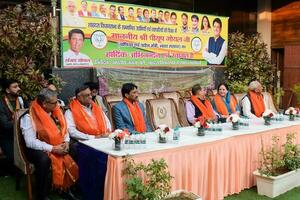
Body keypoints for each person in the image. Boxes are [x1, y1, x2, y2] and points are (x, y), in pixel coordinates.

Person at [20, 88, 78, 200]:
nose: (58, 104)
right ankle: (42, 194)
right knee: (43, 159)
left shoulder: (56, 111)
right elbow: (30, 142)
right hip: (36, 148)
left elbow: (64, 129)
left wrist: (66, 142)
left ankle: (65, 187)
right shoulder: (29, 117)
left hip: (58, 143)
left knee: (73, 148)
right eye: (54, 102)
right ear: (44, 104)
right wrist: (53, 148)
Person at [65, 85, 111, 160]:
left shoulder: (96, 107)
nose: (90, 97)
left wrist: (107, 132)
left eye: (90, 94)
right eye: (87, 95)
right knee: (99, 154)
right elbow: (72, 131)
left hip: (103, 138)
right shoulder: (70, 111)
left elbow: (107, 122)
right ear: (79, 97)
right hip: (85, 142)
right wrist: (93, 137)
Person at [0, 79, 25, 171]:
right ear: (7, 90)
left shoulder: (21, 100)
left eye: (18, 86)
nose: (18, 88)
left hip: (21, 134)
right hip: (7, 136)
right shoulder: (1, 103)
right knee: (13, 158)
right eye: (15, 87)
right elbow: (5, 125)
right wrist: (19, 120)